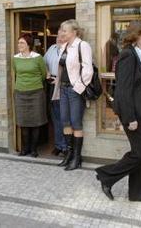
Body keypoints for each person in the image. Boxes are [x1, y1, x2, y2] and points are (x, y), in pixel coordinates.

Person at [95, 22, 141, 203]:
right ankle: (106, 175)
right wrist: (130, 117)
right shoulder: (128, 55)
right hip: (133, 114)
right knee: (139, 155)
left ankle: (140, 194)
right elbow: (123, 90)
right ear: (137, 36)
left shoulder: (139, 54)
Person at [52, 20, 93, 170]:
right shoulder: (63, 46)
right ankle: (69, 155)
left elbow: (88, 70)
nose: (62, 33)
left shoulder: (82, 46)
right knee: (65, 122)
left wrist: (78, 88)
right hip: (63, 89)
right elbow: (63, 68)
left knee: (76, 123)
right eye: (61, 30)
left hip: (75, 90)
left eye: (65, 31)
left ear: (74, 32)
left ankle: (77, 158)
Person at [13, 33, 47, 158]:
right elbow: (16, 72)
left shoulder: (38, 57)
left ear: (29, 44)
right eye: (18, 43)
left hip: (36, 92)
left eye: (22, 43)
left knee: (35, 122)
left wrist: (34, 83)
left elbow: (43, 74)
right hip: (20, 93)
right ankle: (24, 148)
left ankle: (33, 149)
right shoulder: (15, 58)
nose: (19, 45)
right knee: (23, 121)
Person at [43, 26, 68, 157]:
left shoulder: (69, 50)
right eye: (57, 36)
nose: (59, 38)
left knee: (64, 117)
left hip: (63, 85)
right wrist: (47, 73)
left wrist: (59, 79)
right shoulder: (52, 48)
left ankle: (65, 146)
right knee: (55, 117)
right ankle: (58, 145)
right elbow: (44, 63)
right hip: (52, 84)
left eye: (61, 36)